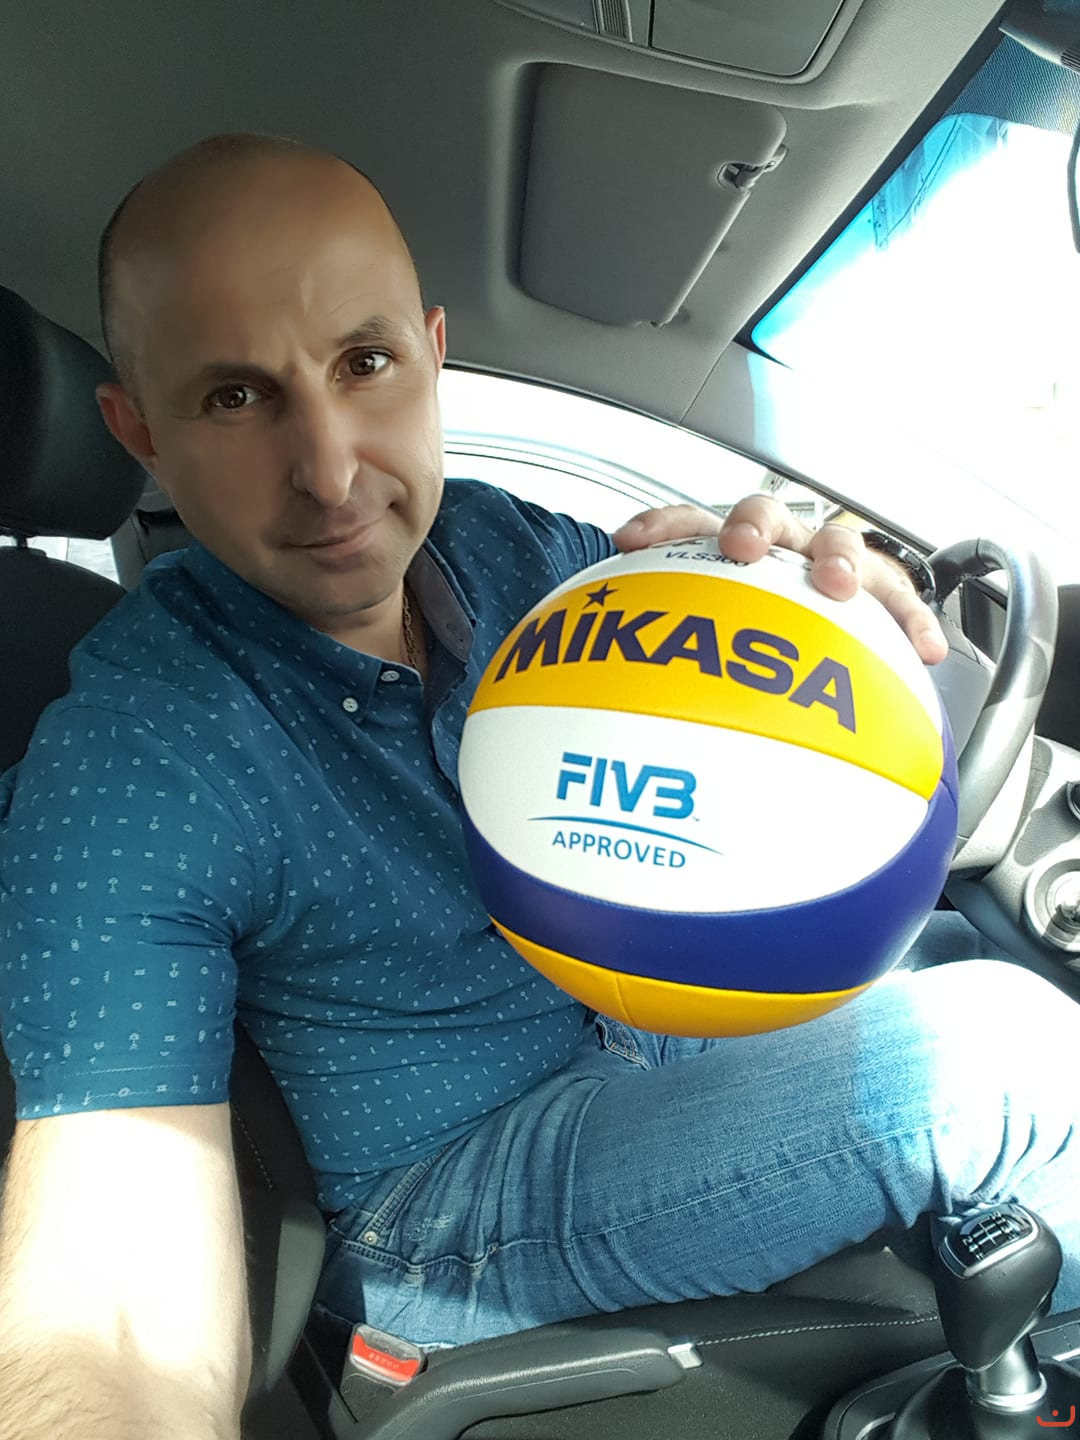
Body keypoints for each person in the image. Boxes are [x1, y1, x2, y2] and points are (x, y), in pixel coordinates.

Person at [0, 133, 1076, 1440]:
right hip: (443, 1194)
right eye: (235, 397)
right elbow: (111, 1296)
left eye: (364, 363)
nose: (331, 472)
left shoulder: (511, 547)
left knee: (938, 948)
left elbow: (703, 719)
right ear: (138, 432)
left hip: (625, 1019)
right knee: (1006, 1058)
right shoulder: (135, 751)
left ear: (433, 353)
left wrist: (805, 614)